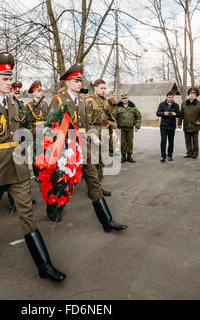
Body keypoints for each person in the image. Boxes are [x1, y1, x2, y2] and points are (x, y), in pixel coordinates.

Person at [0, 51, 65, 282]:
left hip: (18, 167)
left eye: (11, 79)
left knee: (27, 214)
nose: (9, 83)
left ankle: (45, 266)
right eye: (5, 79)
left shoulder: (13, 103)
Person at [47, 63, 127, 233]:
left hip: (84, 147)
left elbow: (87, 124)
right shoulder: (59, 100)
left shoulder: (82, 101)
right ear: (67, 82)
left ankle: (107, 221)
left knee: (94, 182)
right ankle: (53, 207)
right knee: (62, 182)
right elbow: (51, 126)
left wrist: (93, 135)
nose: (79, 83)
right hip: (66, 149)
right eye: (75, 81)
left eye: (80, 81)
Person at [86, 79, 116, 197]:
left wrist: (112, 130)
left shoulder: (105, 101)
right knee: (93, 164)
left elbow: (110, 118)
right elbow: (86, 122)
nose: (104, 90)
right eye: (102, 88)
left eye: (105, 88)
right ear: (95, 87)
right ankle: (92, 189)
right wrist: (93, 136)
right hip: (94, 136)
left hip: (104, 135)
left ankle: (98, 186)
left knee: (102, 162)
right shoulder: (89, 101)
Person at [178, 88, 200, 159]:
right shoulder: (184, 103)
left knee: (195, 141)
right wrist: (179, 123)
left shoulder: (199, 104)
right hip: (186, 125)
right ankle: (189, 153)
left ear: (196, 95)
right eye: (191, 94)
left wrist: (199, 121)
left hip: (195, 126)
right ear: (189, 95)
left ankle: (195, 154)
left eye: (193, 94)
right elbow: (181, 114)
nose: (192, 95)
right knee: (187, 141)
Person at [112, 93, 141, 163]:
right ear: (121, 99)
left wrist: (137, 126)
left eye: (125, 98)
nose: (124, 100)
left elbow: (138, 116)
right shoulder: (118, 107)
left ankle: (129, 156)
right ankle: (123, 157)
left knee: (130, 142)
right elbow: (113, 117)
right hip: (121, 128)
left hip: (130, 127)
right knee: (122, 142)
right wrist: (114, 126)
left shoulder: (132, 106)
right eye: (123, 99)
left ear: (128, 99)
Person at [156, 91, 180, 162]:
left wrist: (175, 114)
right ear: (166, 97)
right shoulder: (162, 104)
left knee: (171, 141)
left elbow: (179, 114)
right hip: (163, 126)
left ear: (173, 97)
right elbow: (157, 113)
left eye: (171, 97)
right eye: (169, 97)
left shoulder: (176, 105)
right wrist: (164, 113)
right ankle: (163, 156)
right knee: (163, 141)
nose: (170, 98)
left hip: (172, 126)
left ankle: (170, 155)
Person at [107, 91, 117, 157]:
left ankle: (112, 150)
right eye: (112, 95)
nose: (113, 96)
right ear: (109, 95)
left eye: (114, 95)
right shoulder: (106, 102)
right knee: (108, 137)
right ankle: (108, 151)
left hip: (114, 122)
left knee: (114, 138)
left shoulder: (116, 103)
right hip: (108, 122)